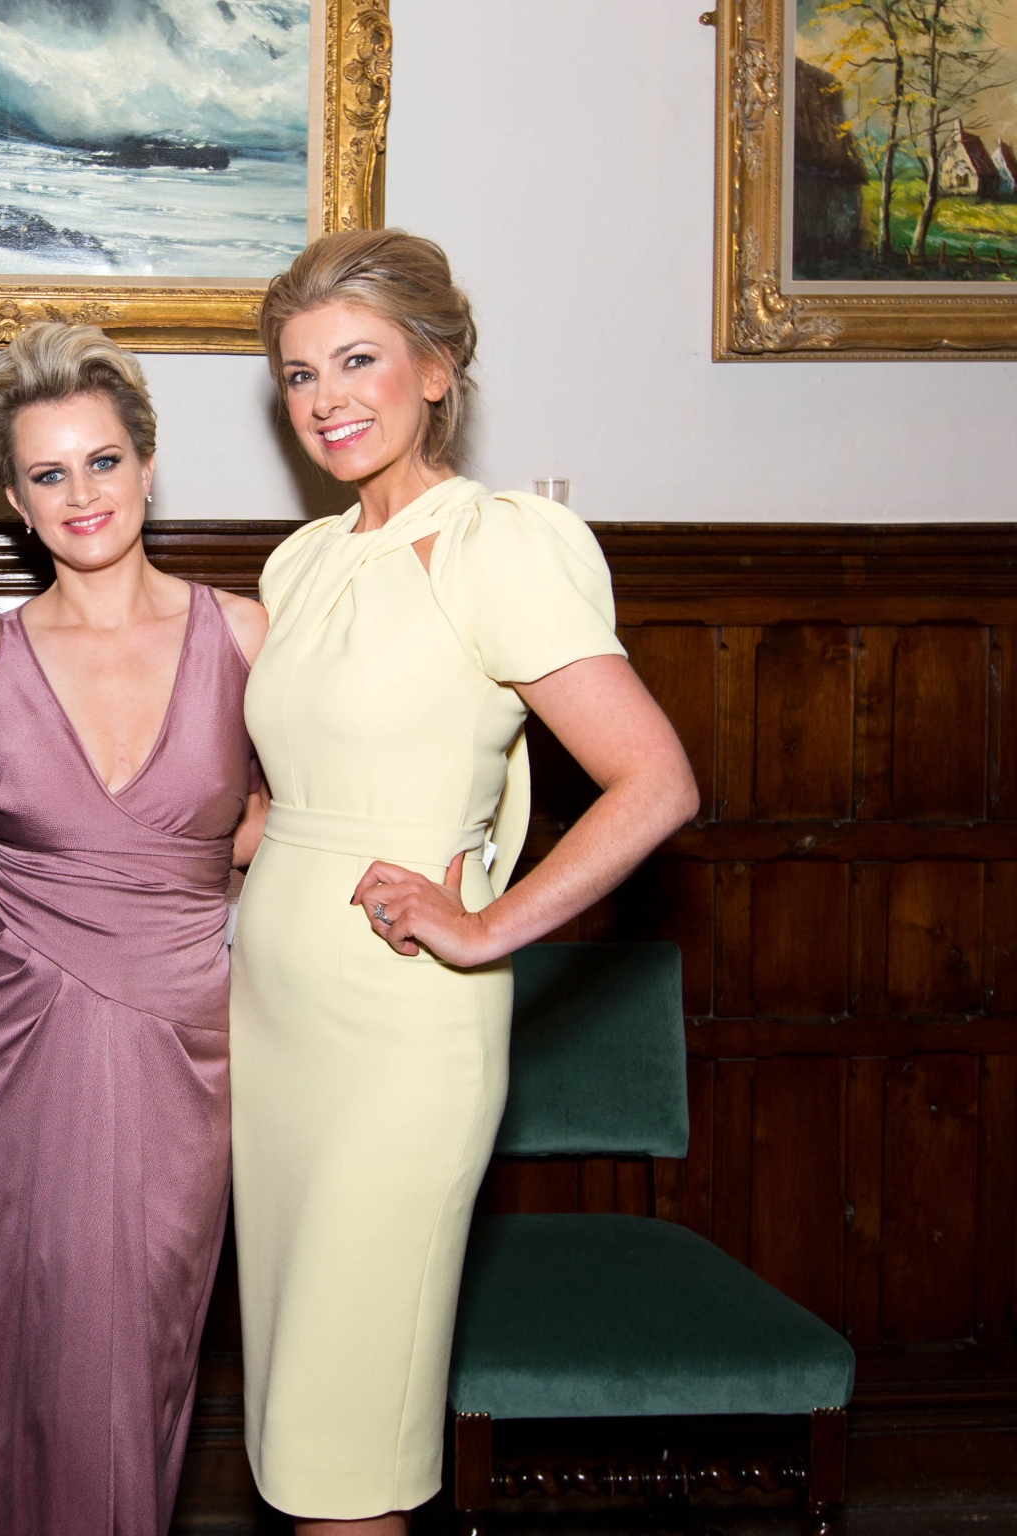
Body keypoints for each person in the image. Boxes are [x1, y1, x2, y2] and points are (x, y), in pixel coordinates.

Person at [229, 229, 700, 1533]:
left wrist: (487, 926)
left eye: (358, 360)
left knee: (347, 1448)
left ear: (434, 371)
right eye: (299, 373)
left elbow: (657, 781)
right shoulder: (302, 563)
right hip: (274, 1022)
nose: (324, 397)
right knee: (297, 1430)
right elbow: (286, 805)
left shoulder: (496, 545)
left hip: (400, 1030)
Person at [0, 322, 267, 1536]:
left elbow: (297, 821)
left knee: (131, 1359)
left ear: (148, 466)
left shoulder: (245, 635)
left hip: (176, 1049)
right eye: (47, 474)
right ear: (14, 501)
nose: (81, 494)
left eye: (102, 461)